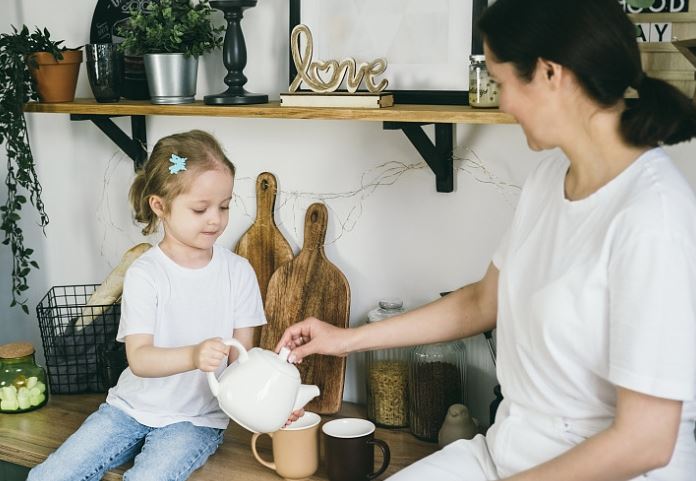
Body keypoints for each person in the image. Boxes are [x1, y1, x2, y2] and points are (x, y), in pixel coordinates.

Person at [276, 1, 696, 480]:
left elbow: (646, 441)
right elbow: (481, 301)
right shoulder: (550, 176)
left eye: (502, 82)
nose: (501, 102)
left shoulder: (653, 218)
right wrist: (346, 340)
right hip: (507, 452)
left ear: (550, 73)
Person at [29, 130, 269, 481]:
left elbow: (241, 366)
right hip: (128, 409)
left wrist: (273, 404)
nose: (215, 219)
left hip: (194, 421)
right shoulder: (145, 273)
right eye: (200, 208)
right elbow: (139, 359)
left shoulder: (239, 273)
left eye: (225, 205)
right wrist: (194, 355)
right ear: (160, 206)